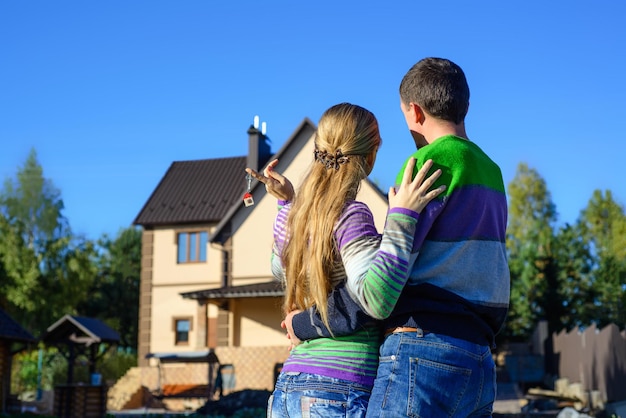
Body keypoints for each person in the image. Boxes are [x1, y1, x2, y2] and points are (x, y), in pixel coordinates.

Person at [278, 58, 511, 417]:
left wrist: (303, 323)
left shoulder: (424, 166)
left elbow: (381, 285)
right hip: (478, 355)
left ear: (414, 112)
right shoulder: (493, 173)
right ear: (464, 104)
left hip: (422, 349)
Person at [246, 102, 446, 418]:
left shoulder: (293, 217)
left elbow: (278, 268)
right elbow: (375, 298)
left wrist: (287, 203)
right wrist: (403, 217)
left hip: (288, 389)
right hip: (337, 390)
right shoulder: (350, 215)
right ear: (369, 157)